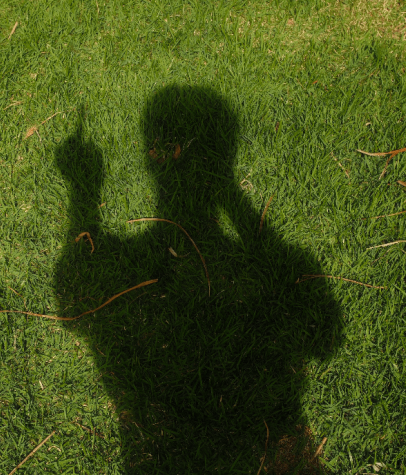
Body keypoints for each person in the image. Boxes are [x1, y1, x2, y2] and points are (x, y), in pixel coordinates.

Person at [54, 84, 341, 473]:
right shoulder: (288, 263)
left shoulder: (137, 262)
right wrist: (228, 190)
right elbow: (325, 339)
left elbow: (76, 294)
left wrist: (84, 193)